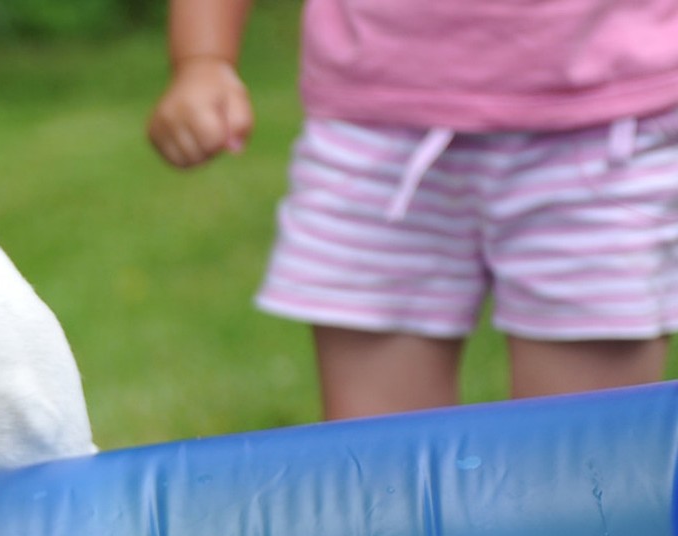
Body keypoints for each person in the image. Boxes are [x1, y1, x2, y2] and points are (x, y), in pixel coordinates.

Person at [147, 0, 678, 420]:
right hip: (373, 129)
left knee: (584, 466)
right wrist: (203, 59)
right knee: (378, 474)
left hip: (608, 126)